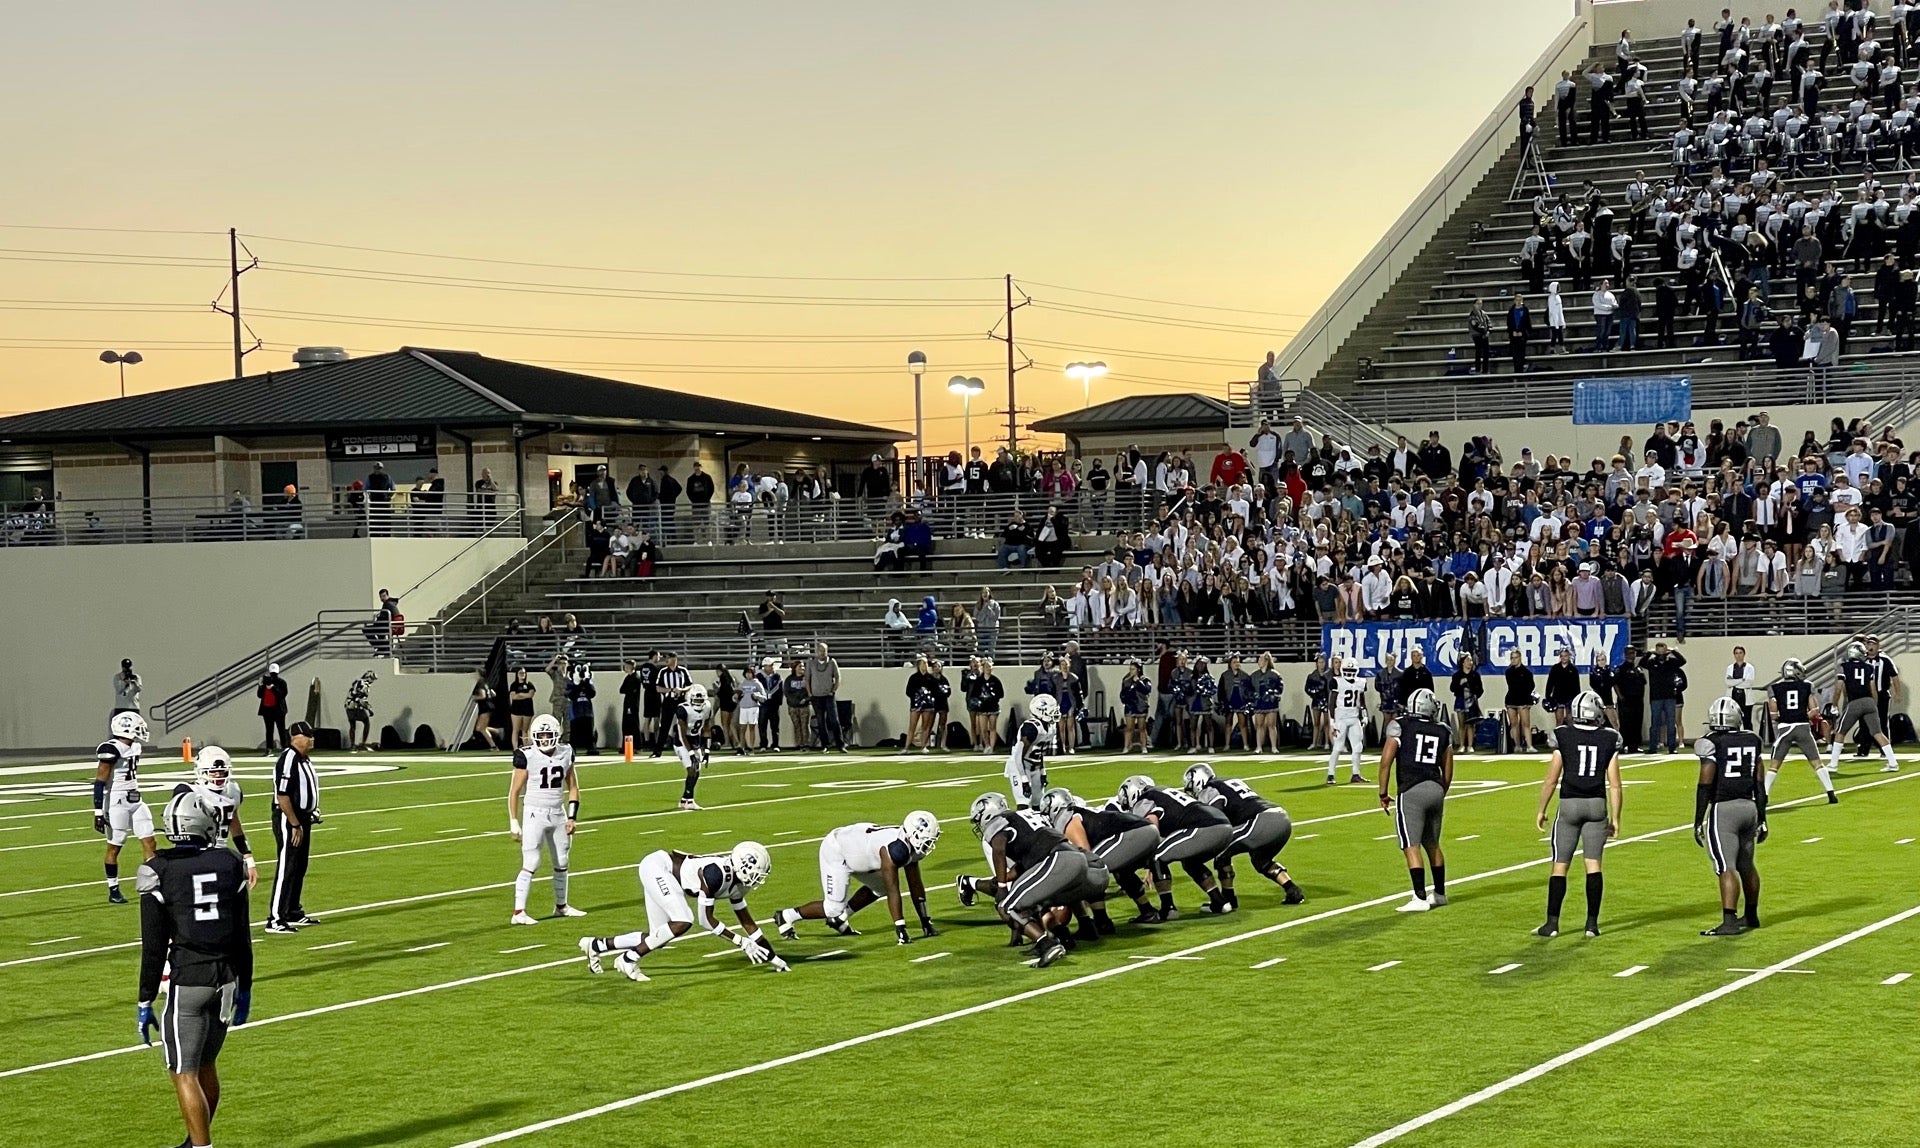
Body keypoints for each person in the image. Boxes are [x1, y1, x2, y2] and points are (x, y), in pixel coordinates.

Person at [137, 789, 254, 1148]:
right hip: (226, 979)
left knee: (184, 1072)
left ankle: (201, 1147)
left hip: (188, 980)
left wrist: (144, 1000)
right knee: (206, 1066)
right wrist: (246, 987)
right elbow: (242, 935)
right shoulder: (230, 863)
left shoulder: (157, 870)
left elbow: (154, 947)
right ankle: (194, 1142)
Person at [578, 842, 783, 982]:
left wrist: (773, 957)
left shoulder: (739, 884)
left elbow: (748, 923)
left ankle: (596, 945)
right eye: (756, 873)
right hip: (659, 868)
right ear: (743, 867)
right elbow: (705, 920)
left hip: (667, 878)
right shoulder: (717, 873)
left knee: (657, 937)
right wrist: (741, 943)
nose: (758, 878)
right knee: (684, 920)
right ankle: (628, 959)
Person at [954, 792, 1089, 968]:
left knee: (1006, 906)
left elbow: (999, 849)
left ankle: (1047, 944)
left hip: (1056, 860)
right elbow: (1024, 863)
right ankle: (1065, 935)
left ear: (987, 813)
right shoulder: (1024, 817)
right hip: (1076, 858)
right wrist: (1003, 879)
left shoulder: (999, 823)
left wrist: (1002, 887)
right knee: (1035, 899)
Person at [1532, 692, 1623, 938]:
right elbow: (1614, 784)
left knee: (1560, 865)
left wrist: (1541, 809)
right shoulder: (1609, 738)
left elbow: (1551, 779)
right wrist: (1616, 817)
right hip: (1596, 805)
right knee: (1593, 865)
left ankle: (1552, 924)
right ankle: (1591, 925)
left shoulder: (1563, 735)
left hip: (1570, 804)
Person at [772, 812, 942, 943]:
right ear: (915, 835)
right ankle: (786, 916)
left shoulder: (909, 847)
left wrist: (925, 921)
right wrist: (900, 928)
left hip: (860, 850)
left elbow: (915, 885)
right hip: (838, 851)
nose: (929, 845)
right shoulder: (895, 849)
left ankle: (840, 920)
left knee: (880, 887)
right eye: (928, 840)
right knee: (832, 908)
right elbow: (893, 890)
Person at [1183, 762, 1305, 909]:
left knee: (1221, 850)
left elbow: (1215, 816)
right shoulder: (1228, 782)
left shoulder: (1210, 789)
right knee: (1260, 860)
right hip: (1281, 818)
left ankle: (1228, 898)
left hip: (1262, 821)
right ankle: (1292, 890)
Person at [1039, 787, 1159, 931]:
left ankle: (1101, 920)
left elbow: (1085, 851)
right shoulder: (1080, 812)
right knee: (1121, 871)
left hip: (1135, 834)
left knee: (1091, 869)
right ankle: (1148, 911)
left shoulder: (1068, 817)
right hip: (1146, 832)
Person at [1695, 696, 1767, 936]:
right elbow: (1759, 783)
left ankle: (1729, 921)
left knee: (1726, 867)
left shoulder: (1711, 742)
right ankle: (1752, 915)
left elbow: (1705, 782)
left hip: (1724, 809)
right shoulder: (1752, 740)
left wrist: (1698, 819)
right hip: (1749, 807)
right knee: (1746, 864)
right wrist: (1763, 816)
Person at [1379, 688, 1455, 913]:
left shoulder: (1400, 725)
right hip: (1435, 788)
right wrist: (1441, 790)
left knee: (1411, 845)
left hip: (1411, 789)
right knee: (1432, 843)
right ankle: (1439, 894)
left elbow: (1386, 761)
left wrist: (1383, 792)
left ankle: (1420, 897)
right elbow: (1448, 769)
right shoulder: (1443, 730)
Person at [1115, 774, 1234, 917]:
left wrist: (1149, 865)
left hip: (1202, 827)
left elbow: (1150, 829)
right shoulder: (1163, 792)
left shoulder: (1145, 799)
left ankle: (1168, 908)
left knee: (1156, 857)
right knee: (1191, 861)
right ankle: (1220, 902)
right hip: (1224, 826)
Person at [507, 714, 588, 925]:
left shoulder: (566, 752)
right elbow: (514, 791)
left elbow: (573, 787)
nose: (544, 739)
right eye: (540, 735)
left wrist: (572, 817)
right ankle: (518, 913)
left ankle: (561, 906)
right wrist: (514, 821)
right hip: (534, 812)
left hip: (558, 812)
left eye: (547, 735)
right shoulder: (527, 755)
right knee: (532, 861)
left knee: (562, 861)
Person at [95, 710, 156, 904]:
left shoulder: (135, 747)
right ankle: (113, 889)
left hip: (135, 799)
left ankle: (151, 886)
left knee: (150, 841)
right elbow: (99, 782)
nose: (141, 730)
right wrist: (97, 811)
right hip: (116, 801)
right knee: (115, 846)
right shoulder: (111, 749)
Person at [265, 722, 320, 934]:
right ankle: (276, 918)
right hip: (289, 819)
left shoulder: (303, 759)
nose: (311, 739)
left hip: (303, 818)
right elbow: (283, 795)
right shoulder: (289, 758)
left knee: (300, 865)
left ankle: (292, 911)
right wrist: (294, 823)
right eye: (307, 736)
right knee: (287, 866)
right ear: (294, 737)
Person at [1767, 658, 1837, 801]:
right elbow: (1815, 710)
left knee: (1774, 765)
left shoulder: (1775, 688)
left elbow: (1773, 714)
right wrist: (1801, 715)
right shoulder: (1807, 686)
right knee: (1817, 763)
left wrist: (1785, 716)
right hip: (1803, 728)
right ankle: (1831, 793)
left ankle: (1764, 795)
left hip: (1785, 729)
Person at [1829, 641, 1902, 774]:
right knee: (1878, 733)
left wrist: (1834, 704)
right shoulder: (1869, 667)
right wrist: (1873, 704)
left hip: (1855, 702)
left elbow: (1838, 688)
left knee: (1840, 732)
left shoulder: (1843, 666)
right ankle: (1893, 762)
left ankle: (1833, 764)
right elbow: (1873, 689)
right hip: (1869, 701)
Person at [1005, 693, 1058, 809]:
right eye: (1051, 709)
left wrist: (1043, 771)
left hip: (1035, 766)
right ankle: (1019, 827)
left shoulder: (1051, 727)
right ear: (1041, 711)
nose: (1054, 712)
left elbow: (1040, 752)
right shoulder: (1031, 728)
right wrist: (1024, 779)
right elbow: (1018, 756)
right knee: (1024, 802)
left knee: (1038, 802)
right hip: (1020, 767)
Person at [668, 683, 714, 811]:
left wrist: (708, 749)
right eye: (696, 699)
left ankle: (685, 799)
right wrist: (691, 754)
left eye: (701, 699)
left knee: (697, 770)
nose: (699, 702)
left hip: (695, 740)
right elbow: (682, 734)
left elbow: (706, 728)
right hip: (681, 742)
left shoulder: (707, 707)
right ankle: (690, 801)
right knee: (691, 770)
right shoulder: (683, 709)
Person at [1326, 656, 1369, 784]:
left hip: (1354, 717)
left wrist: (1365, 715)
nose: (1350, 674)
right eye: (1347, 670)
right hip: (1341, 719)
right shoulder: (1336, 682)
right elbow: (1331, 703)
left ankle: (1356, 774)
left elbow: (1361, 701)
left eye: (1352, 671)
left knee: (1358, 746)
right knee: (1338, 747)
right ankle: (1330, 774)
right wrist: (1332, 721)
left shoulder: (1360, 682)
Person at [807, 642, 844, 751]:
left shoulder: (832, 662)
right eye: (820, 650)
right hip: (816, 696)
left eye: (824, 651)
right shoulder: (811, 663)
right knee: (820, 721)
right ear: (816, 651)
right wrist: (810, 693)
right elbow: (807, 679)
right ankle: (825, 745)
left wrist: (833, 691)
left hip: (828, 696)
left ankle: (840, 744)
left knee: (834, 720)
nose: (822, 653)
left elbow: (837, 678)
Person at [1504, 648, 1537, 753]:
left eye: (1515, 658)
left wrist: (1527, 701)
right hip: (1511, 700)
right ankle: (1517, 745)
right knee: (1514, 723)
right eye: (1512, 658)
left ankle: (1529, 746)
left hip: (1523, 700)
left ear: (1520, 658)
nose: (1513, 660)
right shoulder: (1509, 672)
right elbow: (1512, 686)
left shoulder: (1527, 673)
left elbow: (1530, 686)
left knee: (1525, 724)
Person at [256, 663, 290, 757]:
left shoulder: (281, 683)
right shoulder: (264, 684)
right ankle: (269, 749)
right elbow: (260, 695)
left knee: (281, 730)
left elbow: (282, 695)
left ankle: (284, 748)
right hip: (267, 710)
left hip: (278, 710)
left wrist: (273, 688)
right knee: (269, 730)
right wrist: (261, 686)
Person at [344, 670, 375, 753]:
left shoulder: (357, 682)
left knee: (352, 725)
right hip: (355, 706)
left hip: (348, 705)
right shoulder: (364, 684)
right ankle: (363, 744)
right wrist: (368, 708)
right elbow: (359, 698)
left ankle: (353, 745)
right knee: (366, 722)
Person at [509, 666, 538, 749]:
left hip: (527, 709)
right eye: (521, 673)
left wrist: (520, 694)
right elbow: (513, 696)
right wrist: (524, 695)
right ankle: (515, 748)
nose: (523, 675)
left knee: (525, 730)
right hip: (516, 709)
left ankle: (526, 746)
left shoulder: (529, 684)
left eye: (524, 673)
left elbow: (530, 694)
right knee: (516, 730)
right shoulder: (514, 685)